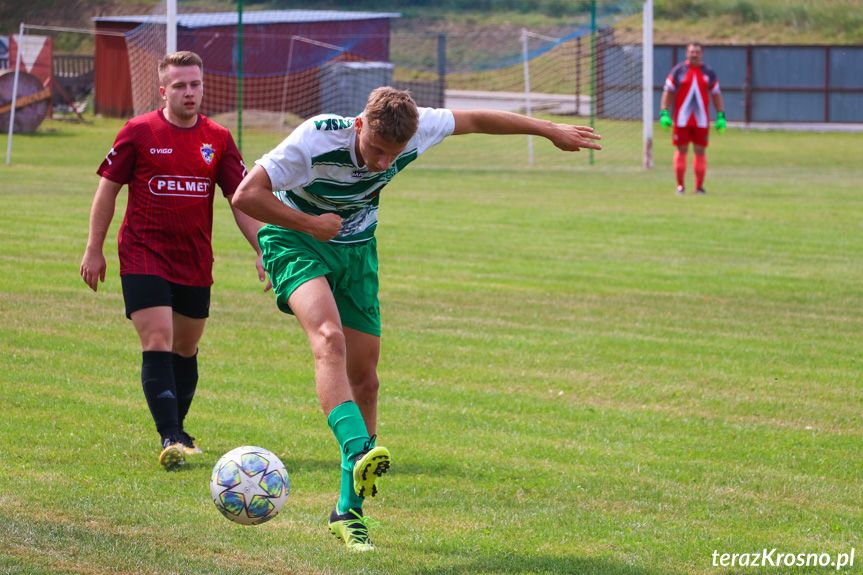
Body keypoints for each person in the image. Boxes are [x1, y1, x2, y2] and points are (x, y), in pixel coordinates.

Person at [231, 86, 602, 551]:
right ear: (360, 126)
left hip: (357, 251)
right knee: (328, 339)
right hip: (296, 240)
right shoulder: (315, 138)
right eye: (376, 151)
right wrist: (309, 223)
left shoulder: (418, 126)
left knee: (366, 381)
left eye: (395, 154)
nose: (384, 163)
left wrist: (548, 130)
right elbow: (245, 194)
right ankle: (357, 449)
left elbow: (476, 120)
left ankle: (347, 512)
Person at [80, 51, 269, 470]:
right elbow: (107, 191)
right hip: (143, 254)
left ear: (204, 86)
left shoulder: (217, 138)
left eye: (195, 84)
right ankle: (168, 436)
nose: (189, 92)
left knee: (186, 347)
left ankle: (179, 432)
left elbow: (241, 200)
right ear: (164, 90)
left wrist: (262, 249)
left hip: (194, 259)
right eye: (180, 85)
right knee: (159, 339)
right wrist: (95, 248)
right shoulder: (139, 131)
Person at [659, 42, 726, 195]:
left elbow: (716, 94)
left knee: (700, 151)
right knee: (681, 149)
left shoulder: (708, 72)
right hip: (682, 119)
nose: (694, 54)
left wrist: (721, 114)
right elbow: (668, 91)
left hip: (701, 120)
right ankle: (680, 186)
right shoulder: (678, 71)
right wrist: (664, 112)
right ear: (686, 53)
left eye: (697, 51)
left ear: (702, 54)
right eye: (691, 51)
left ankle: (699, 187)